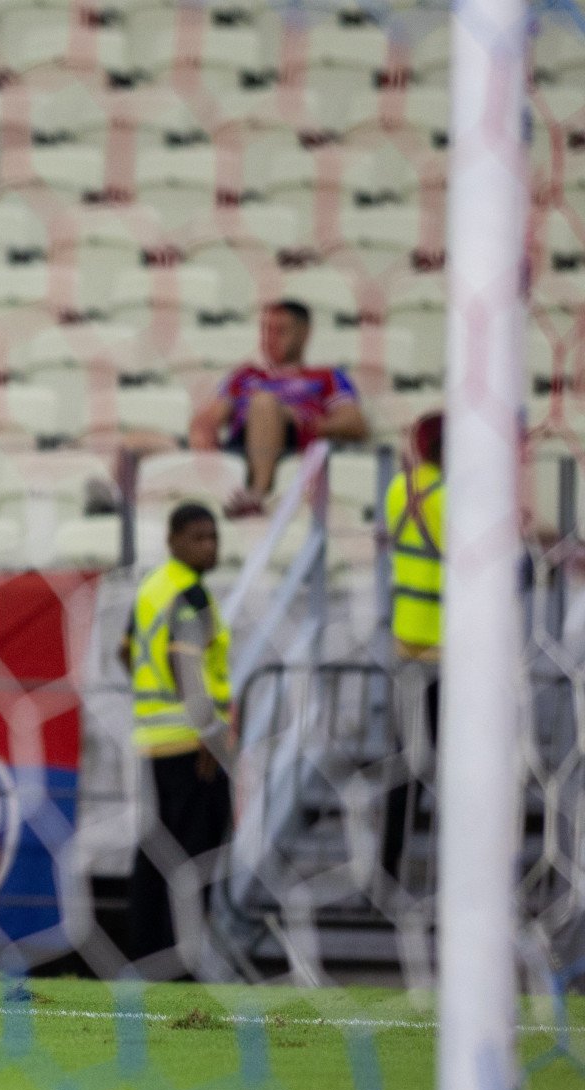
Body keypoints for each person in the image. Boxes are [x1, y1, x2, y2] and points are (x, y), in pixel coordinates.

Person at [121, 503, 232, 967]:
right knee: (195, 854)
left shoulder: (152, 586)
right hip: (192, 744)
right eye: (198, 538)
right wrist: (209, 733)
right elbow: (183, 662)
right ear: (172, 540)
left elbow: (125, 651)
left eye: (213, 537)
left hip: (155, 739)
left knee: (158, 849)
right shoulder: (191, 595)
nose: (208, 546)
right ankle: (182, 960)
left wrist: (155, 702)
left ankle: (145, 952)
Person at [187, 299, 367, 514]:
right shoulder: (245, 375)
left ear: (304, 334)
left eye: (280, 331)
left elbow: (355, 423)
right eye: (266, 331)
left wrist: (304, 420)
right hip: (239, 443)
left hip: (291, 442)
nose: (270, 338)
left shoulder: (326, 377)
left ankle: (259, 492)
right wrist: (205, 434)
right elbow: (210, 418)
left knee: (264, 402)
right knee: (145, 440)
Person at [380, 411, 444, 884]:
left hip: (407, 641)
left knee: (407, 763)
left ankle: (388, 864)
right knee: (452, 764)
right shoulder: (453, 497)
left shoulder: (399, 489)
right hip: (449, 648)